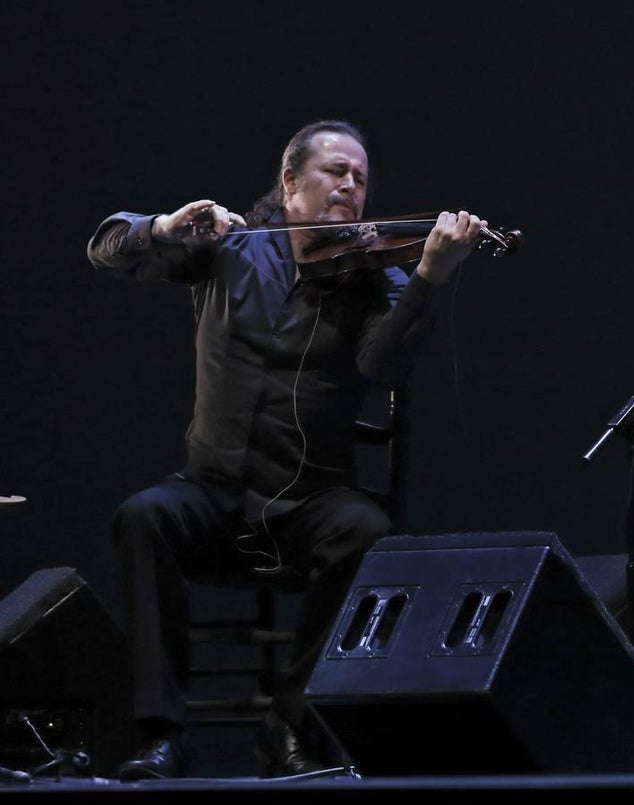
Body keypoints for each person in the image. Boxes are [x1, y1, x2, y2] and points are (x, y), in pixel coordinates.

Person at [86, 120, 488, 781]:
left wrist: (427, 279)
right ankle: (161, 733)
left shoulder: (370, 279)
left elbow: (385, 365)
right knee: (143, 515)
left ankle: (294, 724)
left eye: (360, 179)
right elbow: (106, 248)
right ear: (290, 181)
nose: (350, 187)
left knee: (368, 530)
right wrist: (160, 227)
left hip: (309, 498)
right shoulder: (230, 248)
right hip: (213, 490)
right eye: (335, 172)